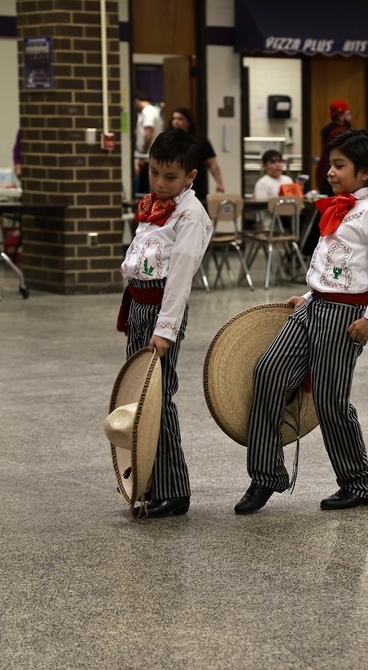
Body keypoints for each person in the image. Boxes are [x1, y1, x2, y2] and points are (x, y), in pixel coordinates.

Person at [235, 129, 368, 514]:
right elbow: (338, 264)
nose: (330, 171)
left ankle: (359, 482)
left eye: (339, 165)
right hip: (315, 306)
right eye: (331, 164)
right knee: (268, 373)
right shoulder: (339, 206)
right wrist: (311, 294)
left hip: (347, 317)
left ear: (366, 172)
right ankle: (265, 475)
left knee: (330, 401)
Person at [117, 128, 214, 517]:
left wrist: (165, 329)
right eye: (154, 172)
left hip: (161, 310)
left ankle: (175, 490)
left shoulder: (191, 215)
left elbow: (180, 278)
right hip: (140, 305)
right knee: (139, 396)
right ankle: (149, 481)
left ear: (190, 176)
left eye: (170, 176)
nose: (159, 182)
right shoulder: (153, 203)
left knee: (159, 397)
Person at [169, 107, 224, 200]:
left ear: (188, 122)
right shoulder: (168, 140)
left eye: (180, 119)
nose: (176, 122)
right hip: (174, 184)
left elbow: (212, 163)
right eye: (174, 119)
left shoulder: (200, 140)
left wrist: (219, 182)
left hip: (197, 184)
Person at [316, 100, 352, 196]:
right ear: (341, 116)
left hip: (323, 173)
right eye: (348, 114)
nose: (350, 117)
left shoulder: (328, 131)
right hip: (334, 175)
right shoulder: (341, 132)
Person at [133, 92, 164, 195]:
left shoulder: (148, 112)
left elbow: (148, 134)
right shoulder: (152, 111)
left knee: (151, 186)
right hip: (149, 153)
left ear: (137, 101)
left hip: (148, 154)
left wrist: (143, 153)